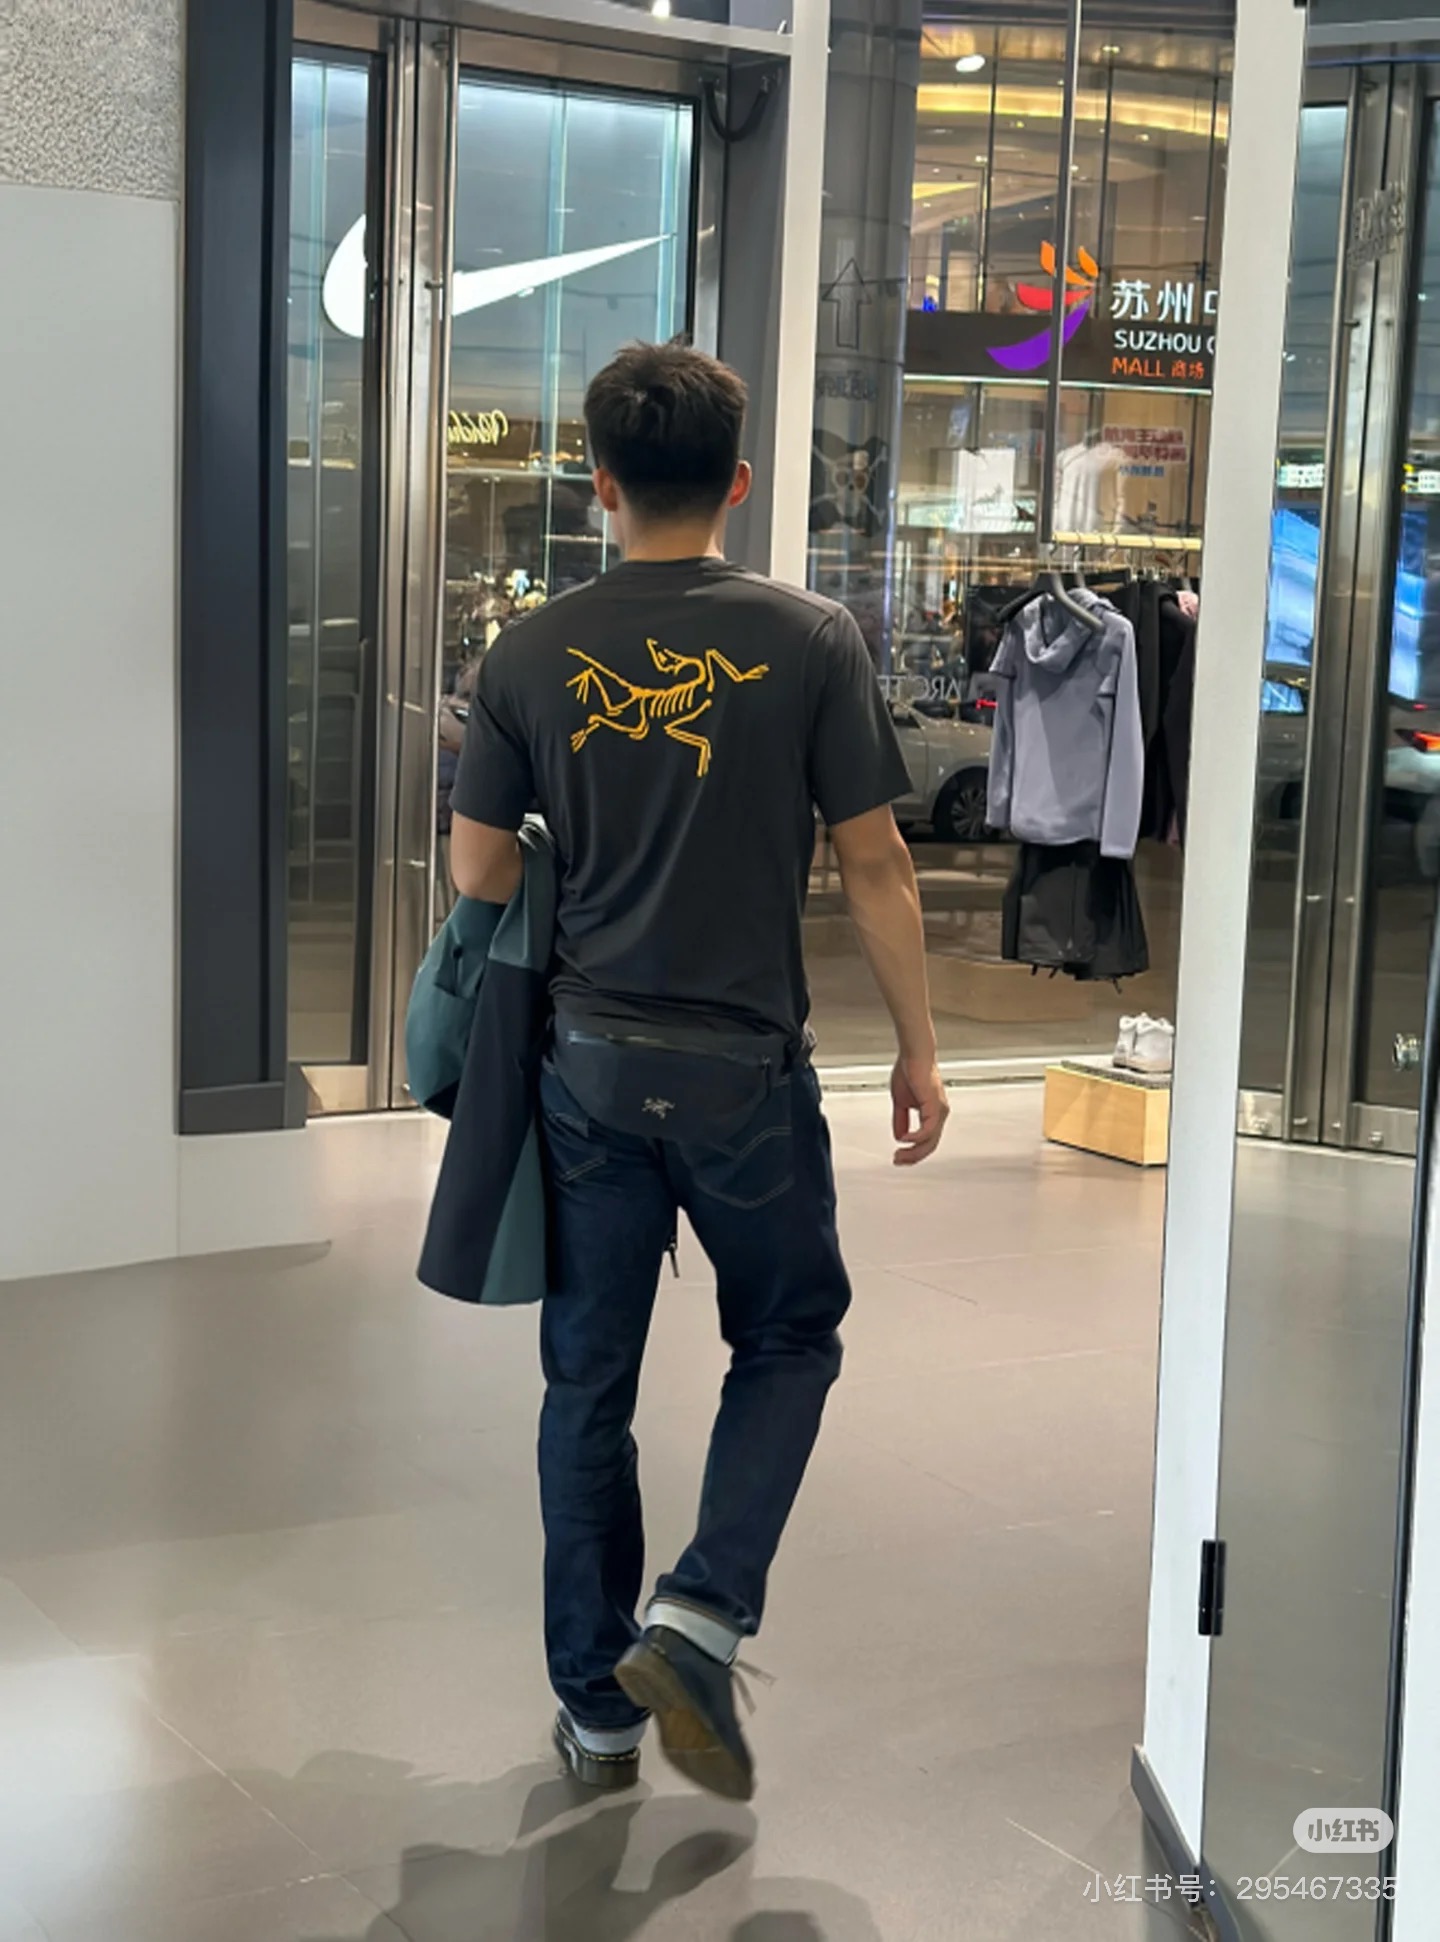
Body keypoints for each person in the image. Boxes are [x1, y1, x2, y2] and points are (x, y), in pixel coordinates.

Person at [448, 341, 949, 1803]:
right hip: (745, 1075)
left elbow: (478, 873)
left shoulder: (526, 653)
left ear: (599, 484)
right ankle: (704, 1610)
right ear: (737, 482)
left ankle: (597, 1708)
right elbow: (876, 863)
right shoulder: (812, 639)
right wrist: (918, 1049)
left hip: (589, 1072)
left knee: (586, 1383)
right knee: (788, 1333)